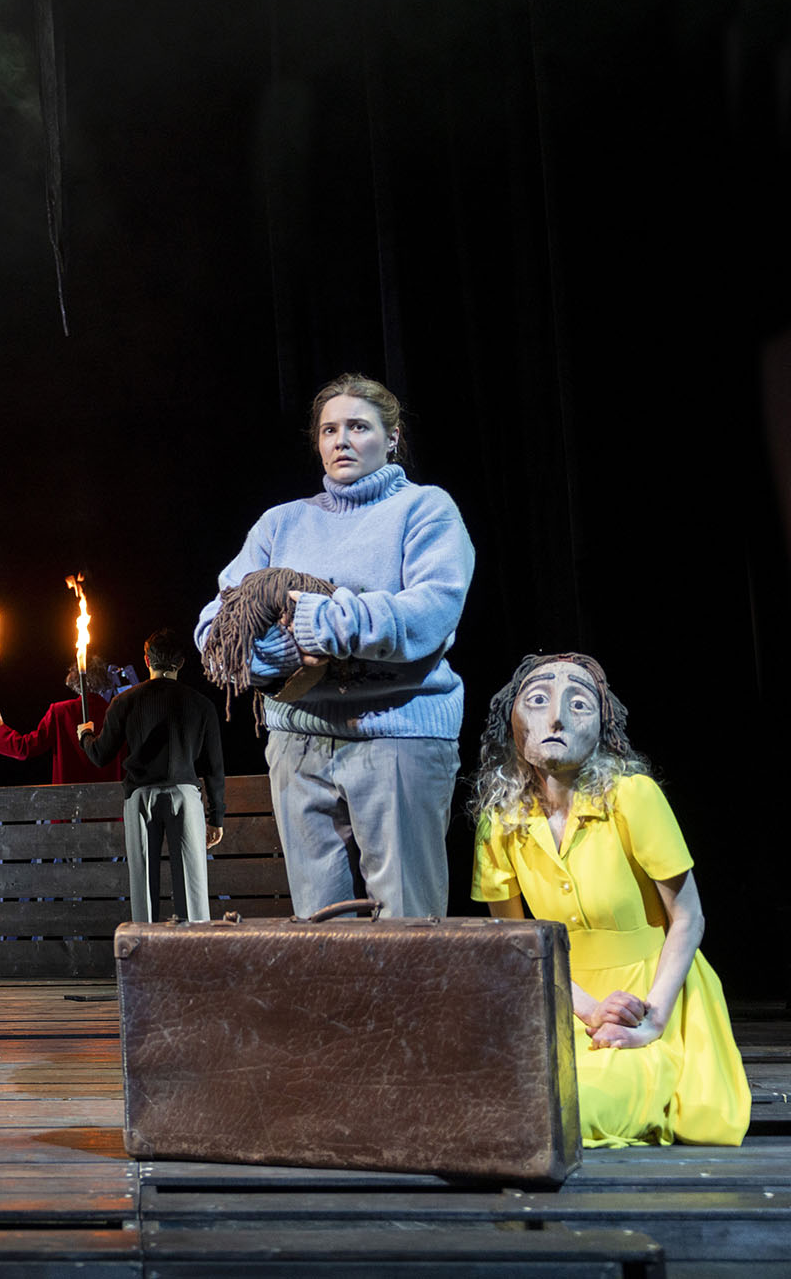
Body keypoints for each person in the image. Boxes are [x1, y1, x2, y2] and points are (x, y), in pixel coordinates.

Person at [193, 375, 473, 918]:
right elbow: (216, 629)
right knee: (320, 928)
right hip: (299, 745)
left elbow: (431, 611)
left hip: (397, 735)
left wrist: (323, 622)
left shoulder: (426, 510)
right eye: (329, 429)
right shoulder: (281, 523)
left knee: (407, 922)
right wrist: (281, 656)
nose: (341, 440)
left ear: (392, 438)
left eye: (358, 427)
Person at [470, 654, 748, 1147]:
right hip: (560, 995)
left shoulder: (632, 797)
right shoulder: (501, 820)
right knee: (489, 1095)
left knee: (573, 1104)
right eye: (538, 700)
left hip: (648, 998)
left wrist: (651, 1021)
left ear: (602, 726)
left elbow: (688, 918)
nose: (556, 717)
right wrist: (586, 1008)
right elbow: (513, 942)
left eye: (578, 704)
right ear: (510, 721)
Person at [77, 630, 225, 922]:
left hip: (140, 796)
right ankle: (194, 944)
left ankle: (144, 943)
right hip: (185, 795)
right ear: (181, 662)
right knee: (192, 886)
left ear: (146, 660)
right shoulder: (202, 705)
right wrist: (216, 817)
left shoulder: (125, 701)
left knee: (143, 881)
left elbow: (100, 755)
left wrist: (86, 736)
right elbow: (214, 767)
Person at [0, 657, 137, 784]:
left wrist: (1, 730)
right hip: (110, 801)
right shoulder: (118, 711)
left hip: (69, 801)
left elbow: (26, 748)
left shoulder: (60, 712)